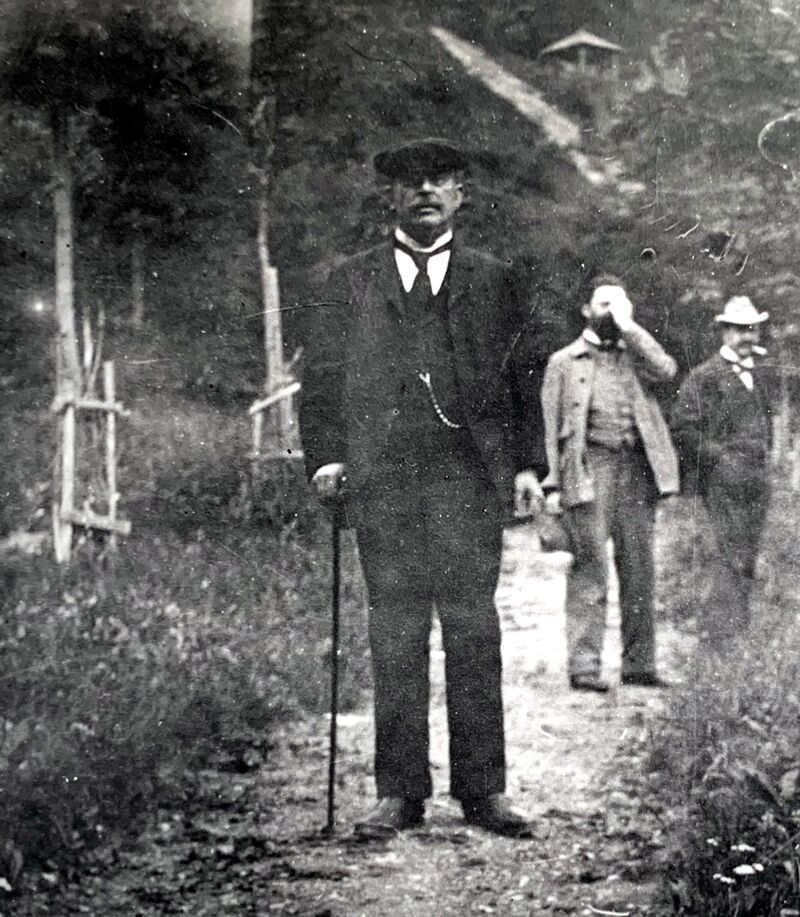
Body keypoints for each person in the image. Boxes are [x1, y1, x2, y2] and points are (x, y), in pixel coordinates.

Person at [300, 138, 547, 838]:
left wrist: (527, 465)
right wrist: (327, 457)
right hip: (384, 480)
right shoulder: (351, 279)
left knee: (473, 628)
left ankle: (483, 789)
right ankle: (399, 792)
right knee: (396, 630)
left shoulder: (495, 279)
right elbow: (321, 377)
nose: (426, 191)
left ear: (460, 194)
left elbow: (523, 377)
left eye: (440, 180)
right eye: (411, 181)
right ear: (391, 196)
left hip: (467, 479)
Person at [541, 275, 679, 693]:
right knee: (590, 566)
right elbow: (549, 426)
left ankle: (640, 664)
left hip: (636, 469)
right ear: (586, 310)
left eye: (620, 304)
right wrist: (552, 485)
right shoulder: (564, 362)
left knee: (639, 569)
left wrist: (629, 326)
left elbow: (666, 370)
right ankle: (584, 667)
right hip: (589, 468)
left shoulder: (637, 354)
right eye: (604, 304)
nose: (612, 313)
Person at [670, 295, 772, 643]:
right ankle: (717, 638)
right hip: (721, 480)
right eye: (740, 330)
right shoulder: (704, 377)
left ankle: (738, 636)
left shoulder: (759, 374)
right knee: (723, 555)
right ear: (725, 332)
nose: (748, 337)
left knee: (748, 553)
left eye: (753, 330)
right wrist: (719, 459)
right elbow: (682, 428)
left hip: (756, 477)